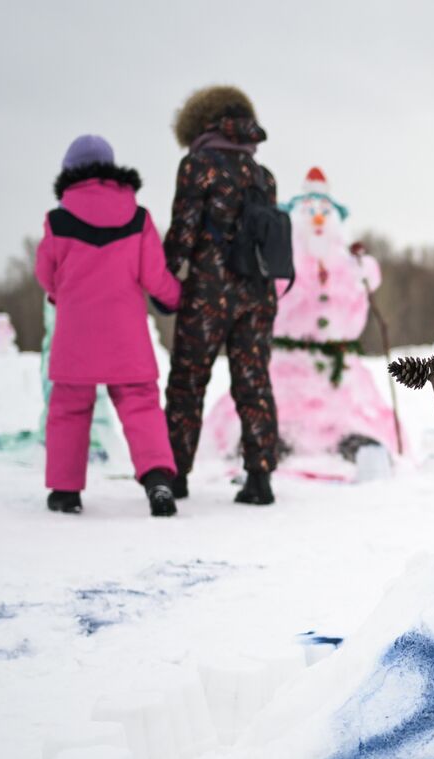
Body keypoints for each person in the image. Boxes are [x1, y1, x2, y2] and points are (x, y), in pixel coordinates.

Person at [35, 135, 182, 517]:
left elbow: (45, 274)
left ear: (70, 174)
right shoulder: (138, 218)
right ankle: (158, 481)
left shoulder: (58, 221)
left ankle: (65, 492)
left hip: (75, 336)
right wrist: (175, 298)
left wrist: (60, 296)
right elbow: (155, 276)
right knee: (141, 405)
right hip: (126, 336)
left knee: (68, 408)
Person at [163, 86, 281, 505]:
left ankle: (173, 476)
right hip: (257, 295)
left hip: (208, 295)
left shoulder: (197, 165)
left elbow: (184, 231)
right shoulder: (263, 176)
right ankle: (260, 477)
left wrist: (163, 277)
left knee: (187, 382)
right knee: (254, 383)